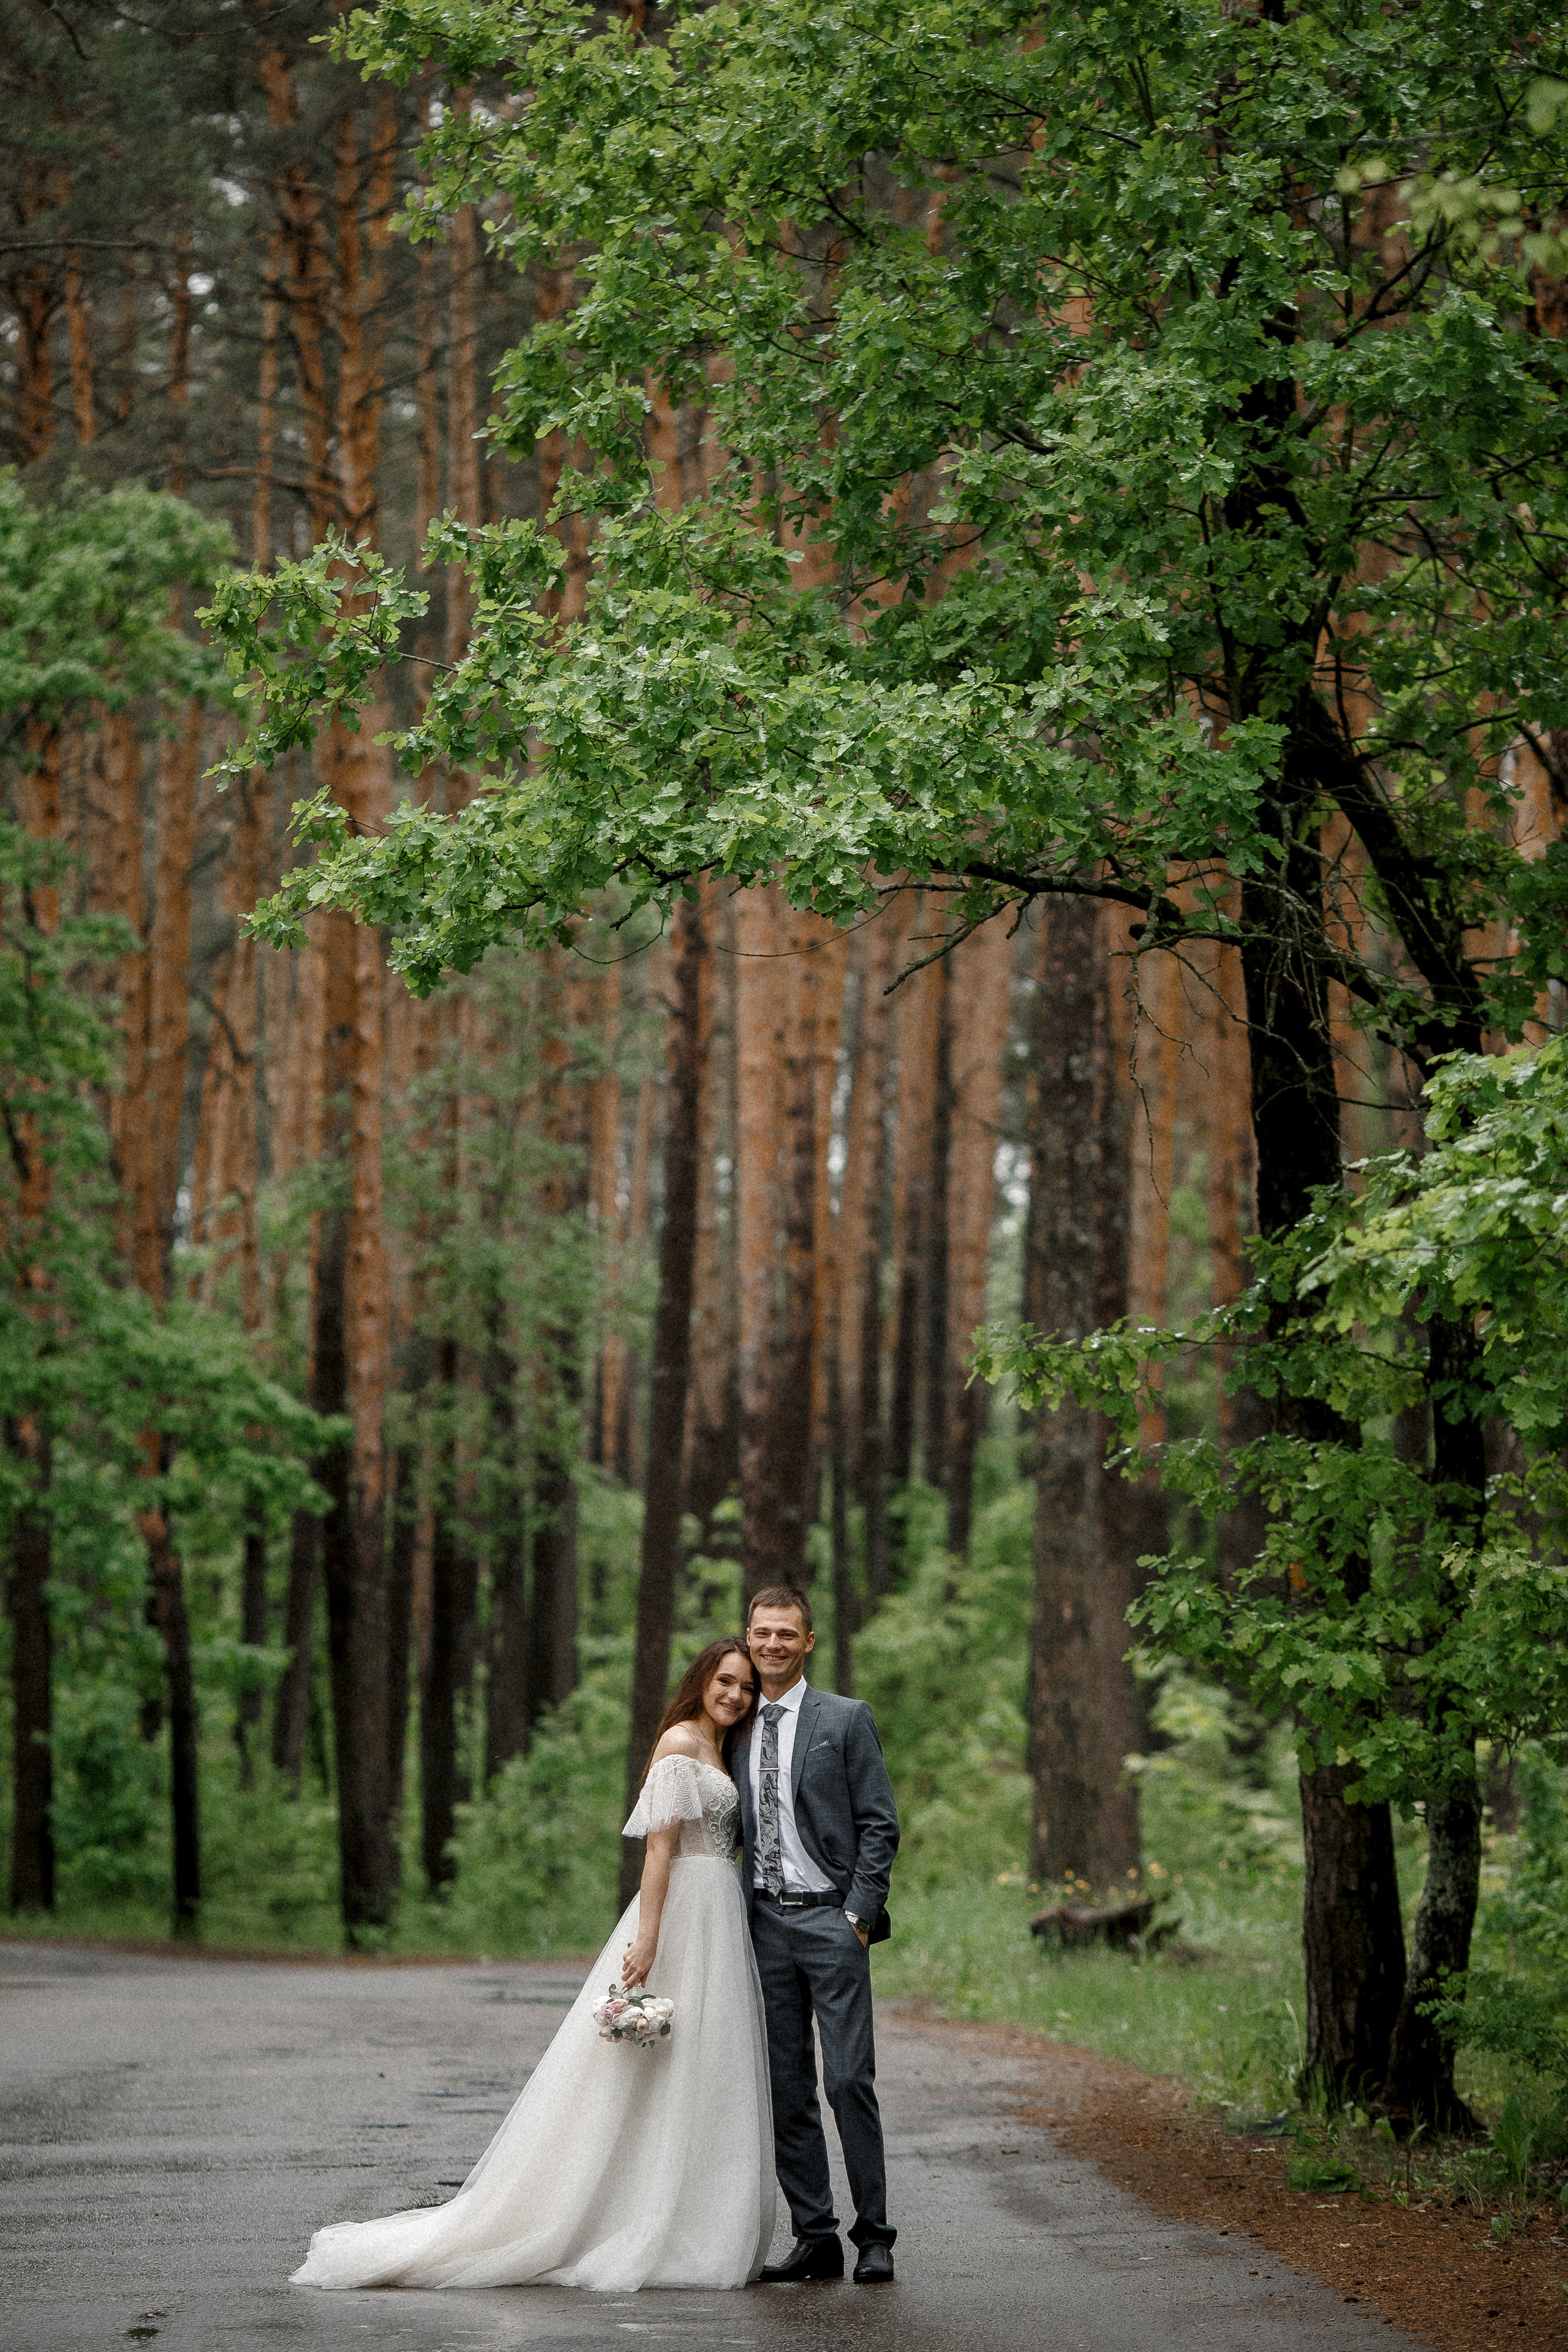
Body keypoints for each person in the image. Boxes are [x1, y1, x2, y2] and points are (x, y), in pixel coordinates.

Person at [290, 1638, 775, 2294]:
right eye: (725, 1681)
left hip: (722, 1912)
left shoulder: (726, 1748)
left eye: (745, 1687)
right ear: (701, 1680)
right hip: (684, 1912)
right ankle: (610, 2215)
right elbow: (659, 1852)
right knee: (649, 2059)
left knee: (705, 2065)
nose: (735, 1695)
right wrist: (649, 1939)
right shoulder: (681, 1744)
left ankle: (694, 2212)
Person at [737, 1585, 901, 2286]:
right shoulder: (733, 1722)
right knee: (785, 2087)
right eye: (761, 1632)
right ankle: (816, 2237)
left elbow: (879, 1822)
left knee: (846, 2080)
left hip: (833, 1921)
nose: (772, 1644)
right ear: (747, 1638)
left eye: (786, 1634)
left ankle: (874, 2237)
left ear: (808, 1642)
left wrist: (859, 1914)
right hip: (763, 1924)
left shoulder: (845, 1718)